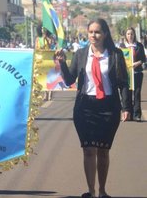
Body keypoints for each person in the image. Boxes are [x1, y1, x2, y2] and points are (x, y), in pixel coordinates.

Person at [56, 18, 131, 198]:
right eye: (90, 32)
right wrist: (63, 64)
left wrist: (126, 107)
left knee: (103, 151)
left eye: (97, 32)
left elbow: (123, 83)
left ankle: (102, 191)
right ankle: (90, 191)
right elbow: (69, 81)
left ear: (105, 34)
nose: (93, 35)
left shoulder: (115, 54)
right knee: (89, 150)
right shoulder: (81, 54)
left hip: (108, 107)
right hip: (85, 107)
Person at [120, 27, 146, 121]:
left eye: (131, 34)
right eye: (128, 34)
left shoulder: (139, 46)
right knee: (127, 94)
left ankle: (137, 114)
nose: (130, 36)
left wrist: (137, 63)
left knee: (137, 93)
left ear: (134, 35)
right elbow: (119, 59)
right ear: (125, 35)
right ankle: (128, 114)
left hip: (137, 73)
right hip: (126, 74)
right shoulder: (122, 46)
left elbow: (143, 59)